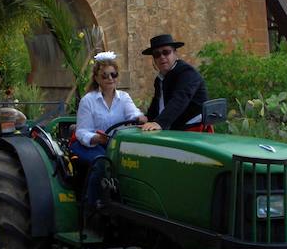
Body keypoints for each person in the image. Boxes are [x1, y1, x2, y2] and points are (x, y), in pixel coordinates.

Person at [71, 51, 146, 205]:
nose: (110, 78)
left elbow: (133, 113)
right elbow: (81, 131)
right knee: (102, 163)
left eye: (113, 74)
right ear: (97, 78)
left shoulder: (124, 97)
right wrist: (96, 138)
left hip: (116, 145)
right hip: (91, 145)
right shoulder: (88, 100)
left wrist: (140, 118)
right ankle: (92, 205)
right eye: (105, 75)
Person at [141, 34, 208, 132]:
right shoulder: (160, 79)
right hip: (175, 130)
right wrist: (147, 120)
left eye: (166, 52)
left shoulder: (187, 73)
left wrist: (159, 123)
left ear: (175, 53)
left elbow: (180, 99)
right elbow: (157, 104)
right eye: (157, 54)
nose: (162, 57)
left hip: (195, 130)